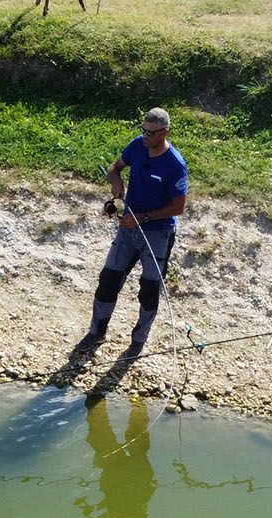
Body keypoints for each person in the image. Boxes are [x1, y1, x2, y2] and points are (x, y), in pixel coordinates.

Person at [83, 107, 188, 354]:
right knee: (108, 280)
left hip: (157, 234)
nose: (145, 137)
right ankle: (96, 333)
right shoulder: (137, 146)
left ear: (164, 133)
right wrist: (116, 181)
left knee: (149, 289)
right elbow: (115, 167)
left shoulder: (175, 165)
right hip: (127, 230)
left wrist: (143, 218)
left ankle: (138, 340)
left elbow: (178, 207)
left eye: (150, 133)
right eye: (143, 131)